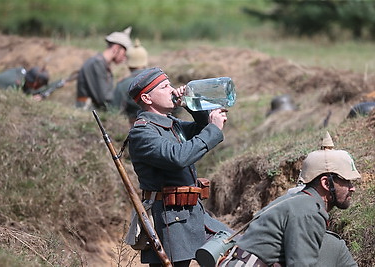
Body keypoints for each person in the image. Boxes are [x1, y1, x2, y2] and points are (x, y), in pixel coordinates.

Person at [127, 67, 231, 266]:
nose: (172, 90)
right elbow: (177, 157)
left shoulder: (170, 123)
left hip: (192, 214)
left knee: (233, 245)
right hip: (169, 221)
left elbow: (199, 130)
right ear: (147, 99)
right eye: (165, 87)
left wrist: (192, 104)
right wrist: (214, 129)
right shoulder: (142, 132)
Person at [217, 131, 360, 267]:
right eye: (347, 182)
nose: (352, 188)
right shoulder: (308, 212)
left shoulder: (298, 202)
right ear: (326, 183)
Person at [76, 26, 132, 111]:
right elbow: (104, 98)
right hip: (87, 111)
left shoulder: (101, 64)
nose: (124, 58)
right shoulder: (97, 64)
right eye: (124, 53)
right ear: (116, 48)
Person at [113, 38, 148, 124]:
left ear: (128, 63)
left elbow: (114, 111)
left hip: (134, 128)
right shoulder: (160, 80)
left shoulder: (123, 85)